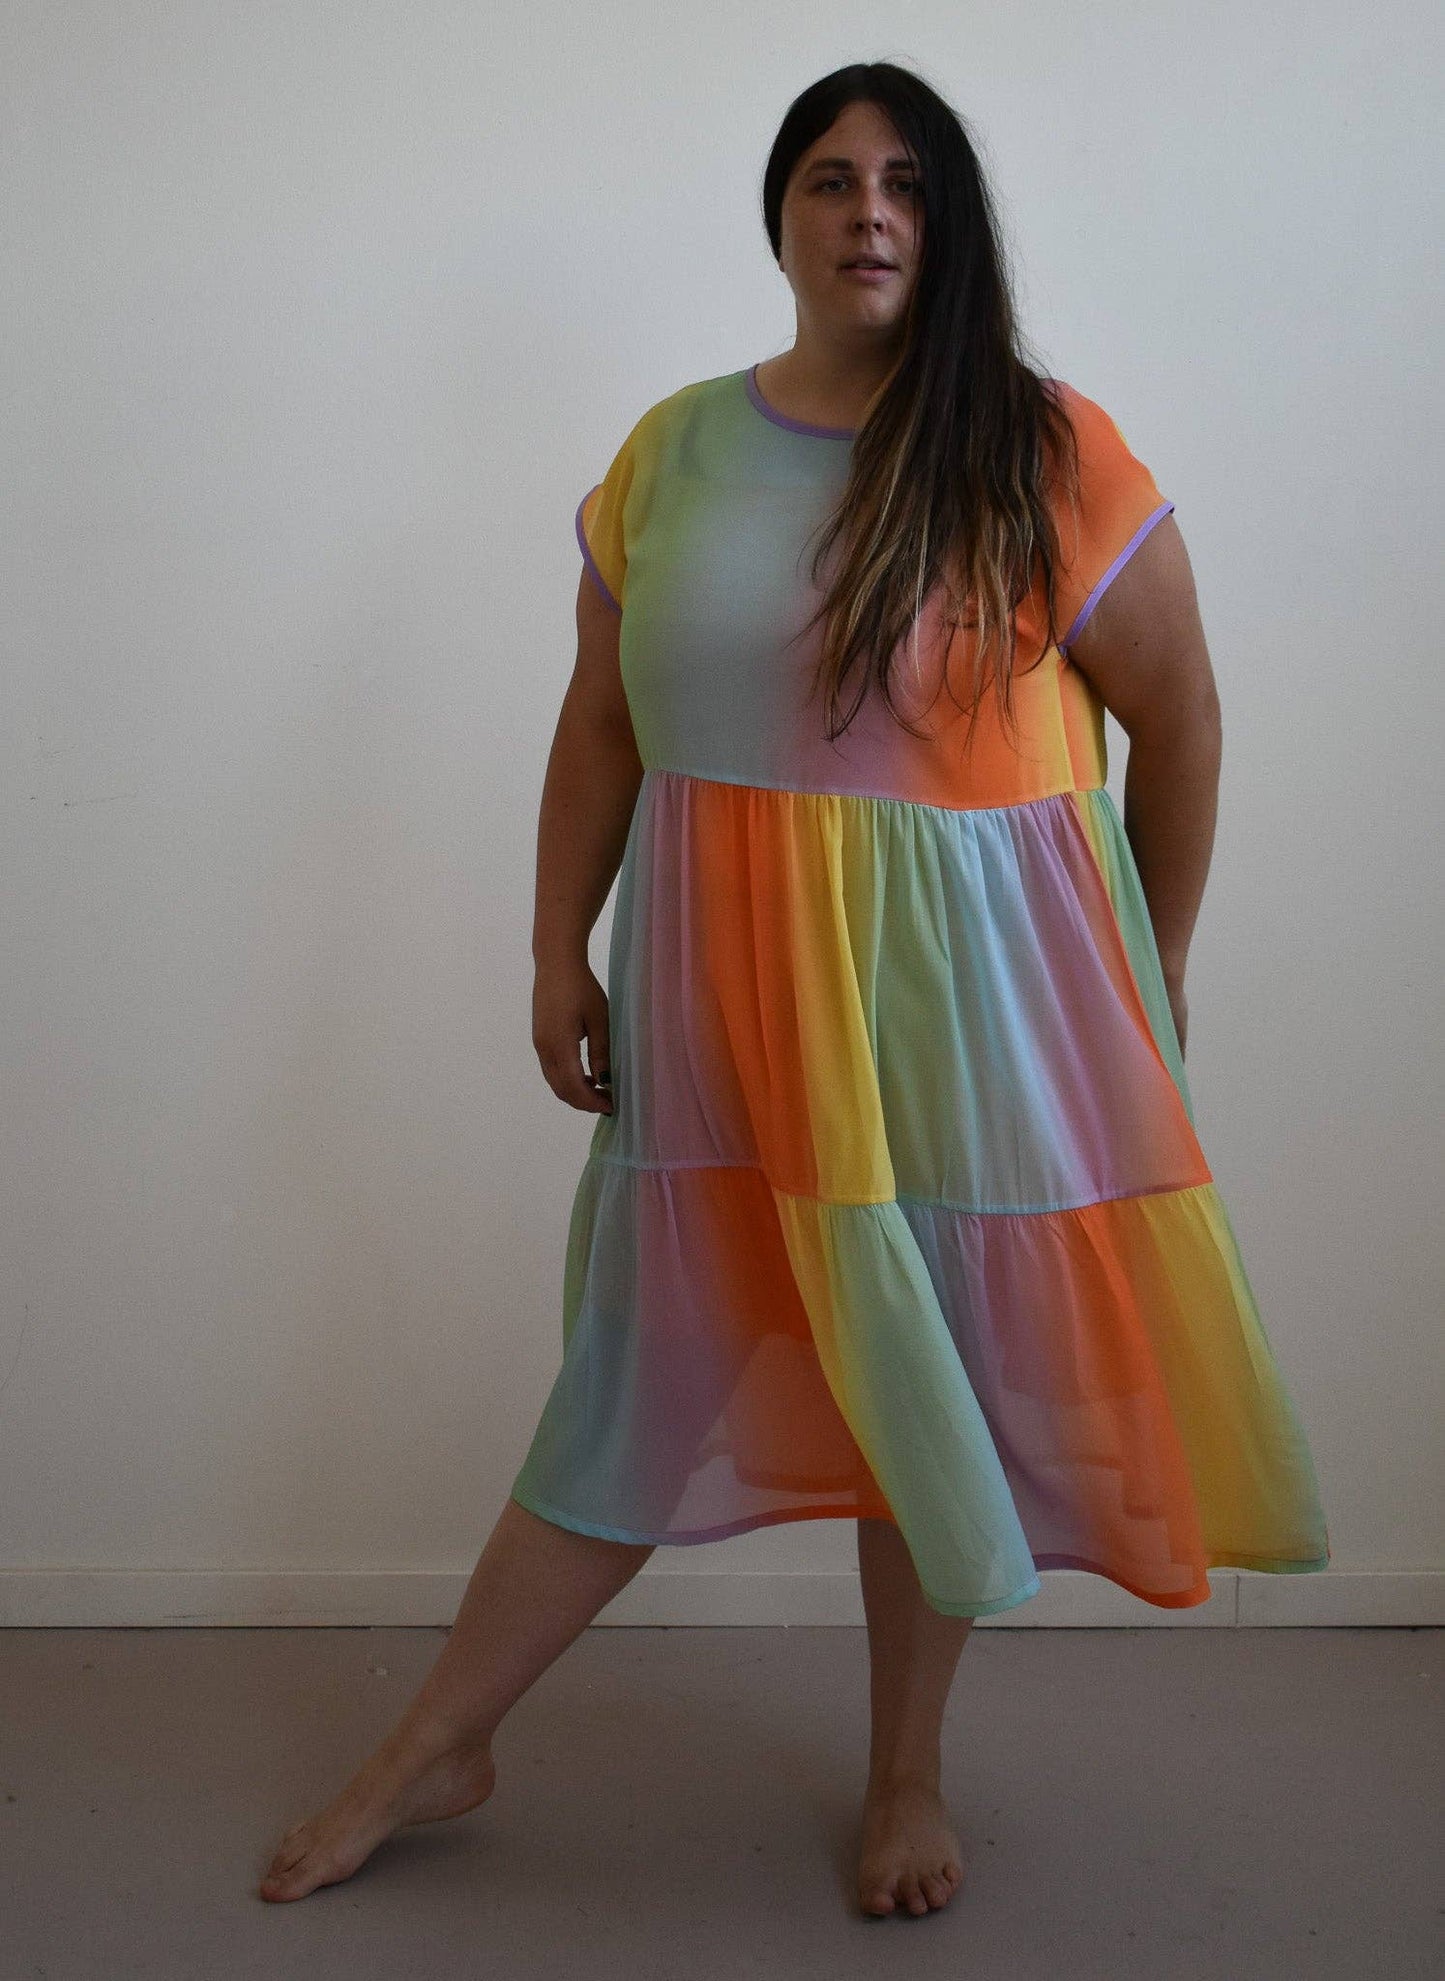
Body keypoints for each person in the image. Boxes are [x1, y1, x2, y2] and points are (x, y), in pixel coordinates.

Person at [259, 60, 1329, 1918]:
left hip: (960, 1004)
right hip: (723, 998)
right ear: (779, 216)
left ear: (948, 222)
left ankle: (906, 1771)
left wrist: (1151, 964)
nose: (868, 214)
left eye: (905, 183)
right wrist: (554, 944)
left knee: (933, 1367)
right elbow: (602, 724)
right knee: (636, 1362)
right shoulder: (673, 450)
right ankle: (439, 1735)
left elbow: (1183, 718)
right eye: (830, 180)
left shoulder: (1042, 452)